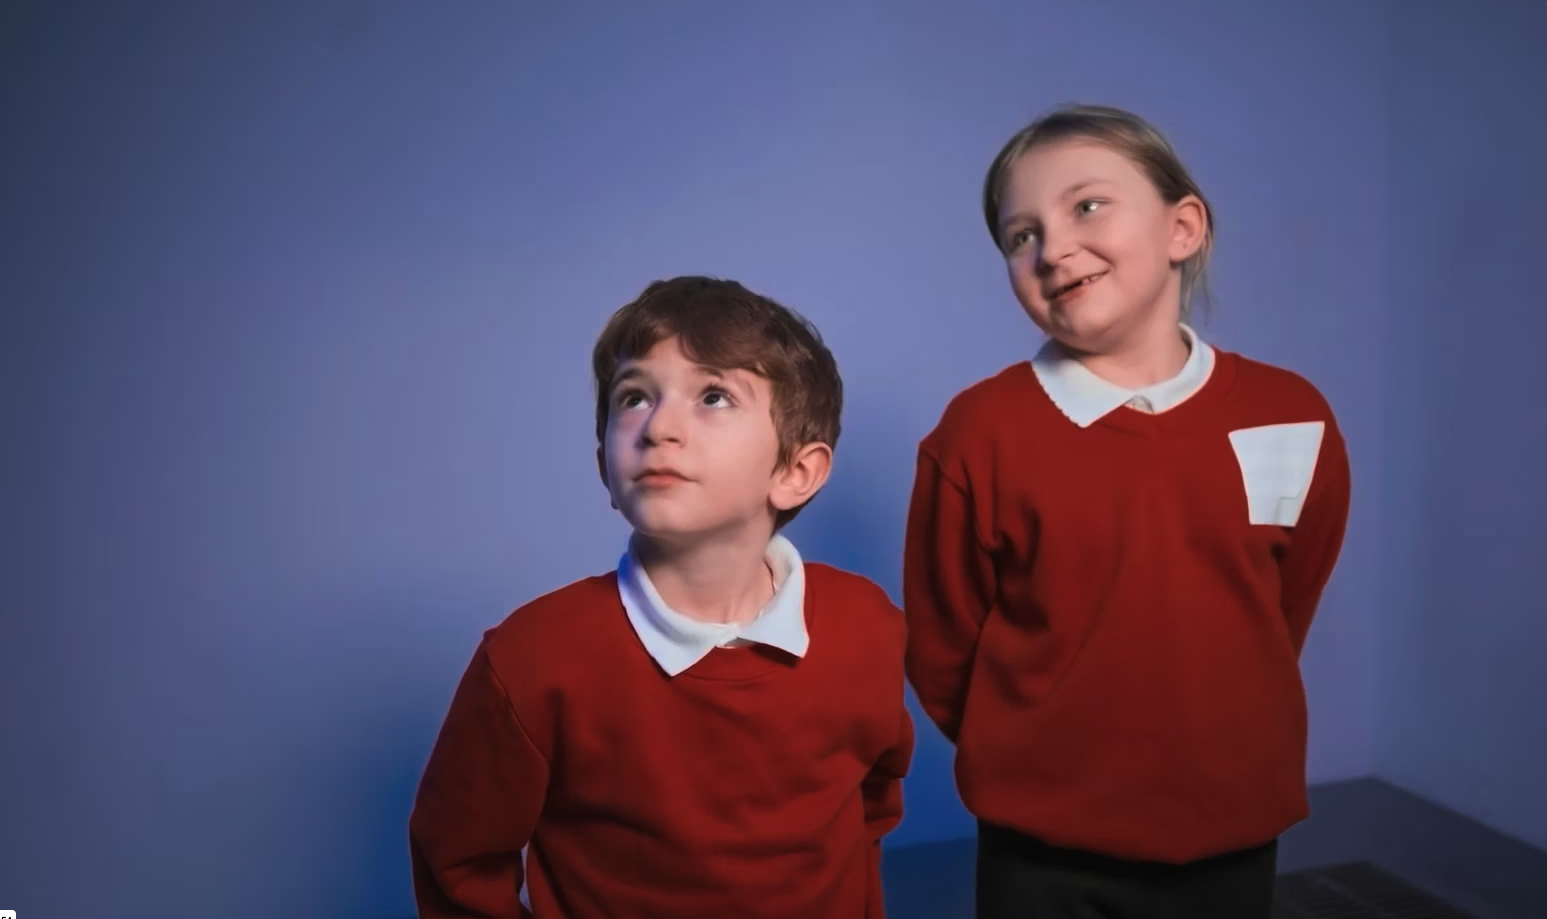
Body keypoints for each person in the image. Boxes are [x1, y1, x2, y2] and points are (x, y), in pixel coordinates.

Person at [903, 104, 1351, 919]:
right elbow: (942, 645)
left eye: (1086, 205)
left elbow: (1284, 605)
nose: (1052, 247)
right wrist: (1027, 746)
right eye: (1019, 235)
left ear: (1182, 227)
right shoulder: (978, 432)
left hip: (1231, 827)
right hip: (1039, 845)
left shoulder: (1292, 413)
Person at [410, 275, 914, 919]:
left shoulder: (866, 625)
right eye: (634, 398)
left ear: (795, 473)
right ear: (605, 471)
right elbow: (457, 862)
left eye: (712, 395)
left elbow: (869, 803)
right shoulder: (531, 661)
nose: (658, 427)